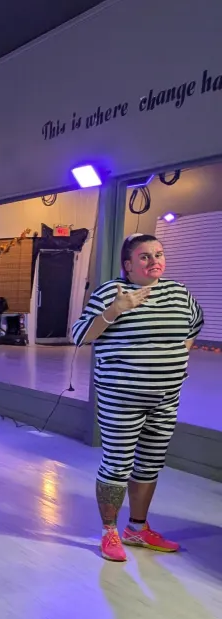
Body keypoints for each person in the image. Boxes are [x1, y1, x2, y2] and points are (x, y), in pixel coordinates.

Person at [70, 233, 203, 562]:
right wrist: (116, 309)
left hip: (165, 397)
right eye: (144, 256)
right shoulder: (110, 293)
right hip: (121, 397)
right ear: (128, 265)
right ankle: (110, 532)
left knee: (149, 466)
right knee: (117, 465)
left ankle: (137, 529)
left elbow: (194, 325)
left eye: (158, 254)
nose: (154, 260)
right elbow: (79, 335)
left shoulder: (179, 293)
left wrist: (177, 360)